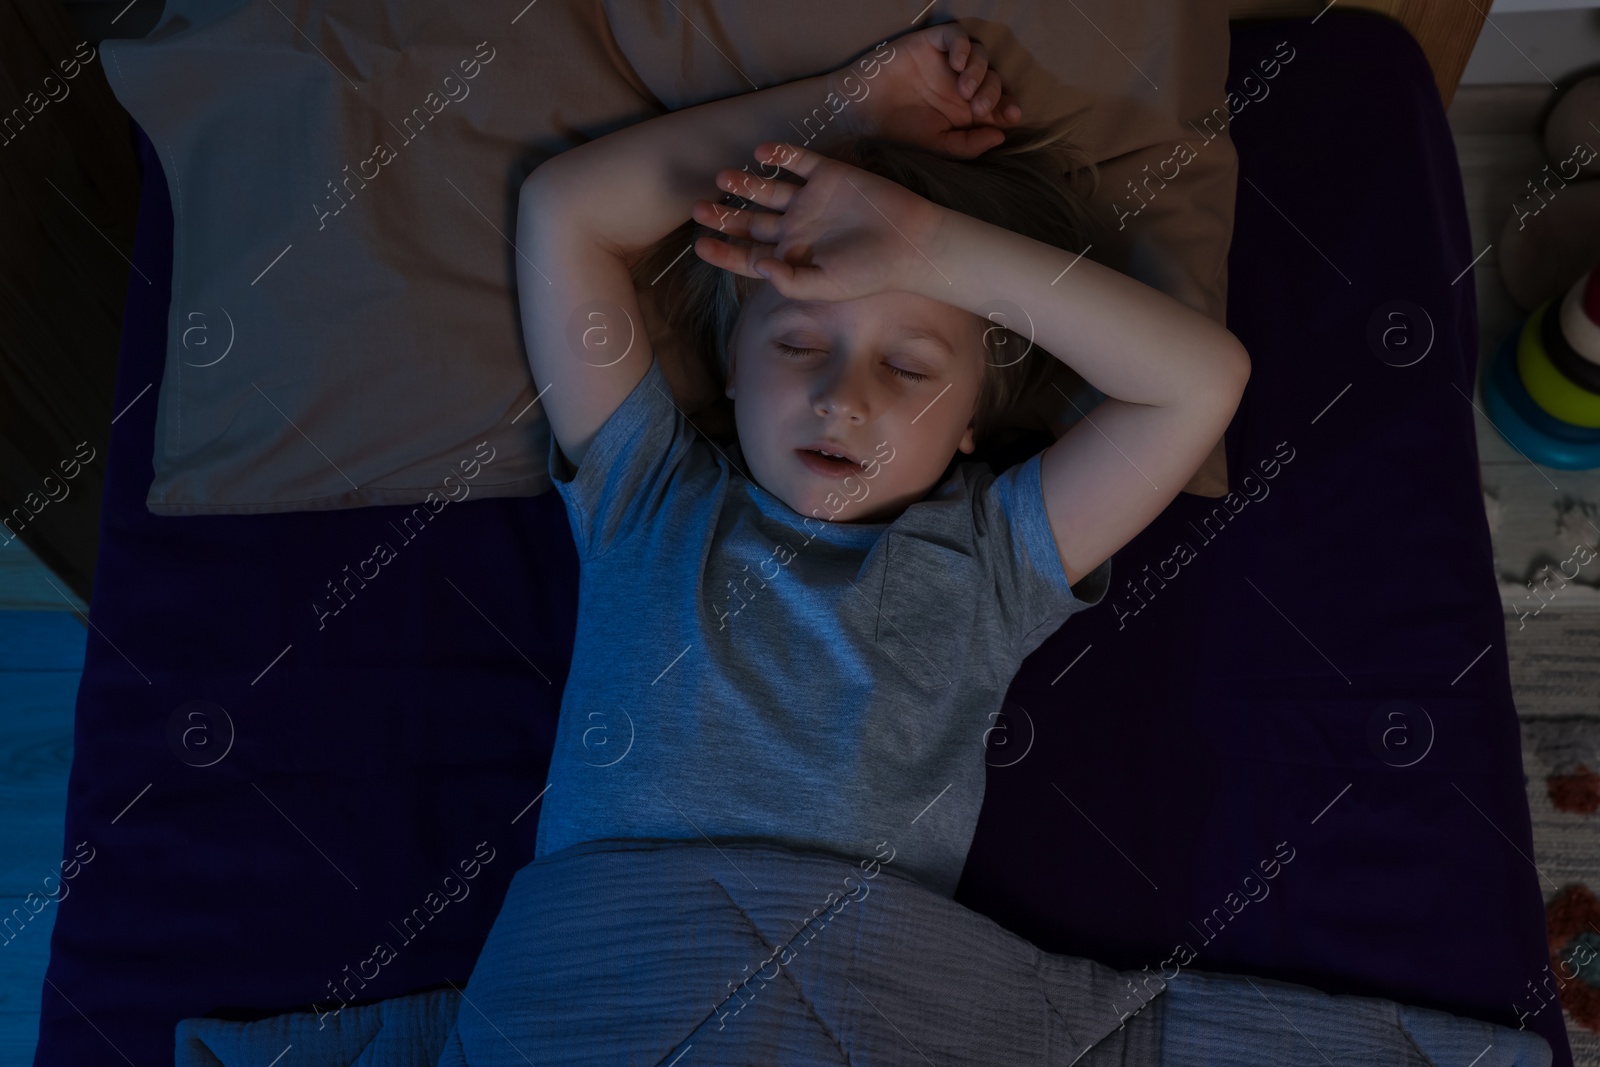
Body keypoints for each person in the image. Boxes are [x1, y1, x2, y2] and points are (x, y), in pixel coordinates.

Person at [513, 20, 1250, 901]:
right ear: (733, 371)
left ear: (976, 413)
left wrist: (930, 247)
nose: (843, 398)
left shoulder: (994, 560)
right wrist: (843, 109)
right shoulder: (649, 494)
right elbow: (562, 217)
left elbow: (1201, 384)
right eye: (793, 343)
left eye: (909, 366)